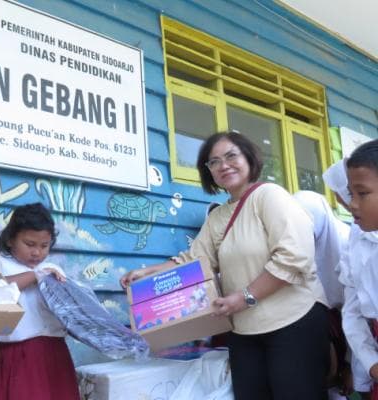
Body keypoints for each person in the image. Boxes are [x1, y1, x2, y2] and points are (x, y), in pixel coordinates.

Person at [121, 131, 330, 400]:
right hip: (243, 329)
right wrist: (147, 273)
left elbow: (294, 256)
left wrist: (245, 297)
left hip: (293, 321)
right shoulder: (218, 216)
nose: (224, 165)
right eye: (214, 161)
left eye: (231, 156)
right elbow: (195, 261)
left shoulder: (270, 196)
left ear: (249, 158)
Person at [0, 202, 79, 400]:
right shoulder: (0, 264)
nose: (37, 252)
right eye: (30, 244)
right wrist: (35, 276)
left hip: (55, 353)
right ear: (10, 240)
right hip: (16, 356)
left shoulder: (52, 268)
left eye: (44, 246)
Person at [294, 190, 352, 398]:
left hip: (353, 329)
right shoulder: (293, 248)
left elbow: (356, 314)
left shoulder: (348, 243)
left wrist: (350, 365)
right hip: (317, 328)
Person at [339, 139, 378, 400]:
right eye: (350, 194)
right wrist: (372, 363)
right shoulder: (357, 238)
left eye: (362, 194)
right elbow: (352, 310)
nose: (352, 204)